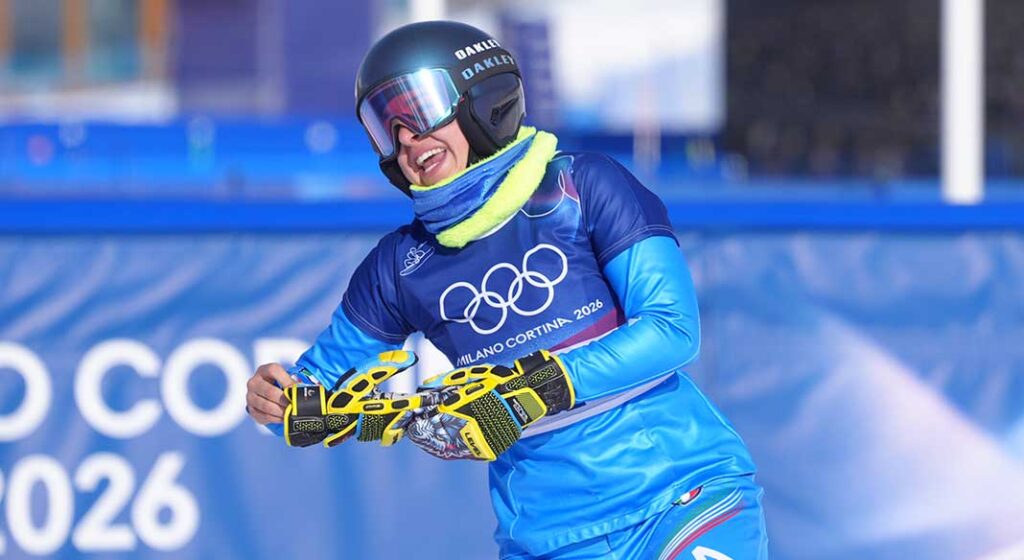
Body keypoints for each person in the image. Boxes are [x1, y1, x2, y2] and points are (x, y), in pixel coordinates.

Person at [245, 20, 768, 560]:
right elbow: (315, 395)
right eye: (385, 126)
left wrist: (531, 390)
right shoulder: (399, 266)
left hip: (680, 499)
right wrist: (279, 401)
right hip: (549, 541)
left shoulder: (584, 186)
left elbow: (672, 328)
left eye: (418, 109)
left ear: (483, 99)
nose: (406, 139)